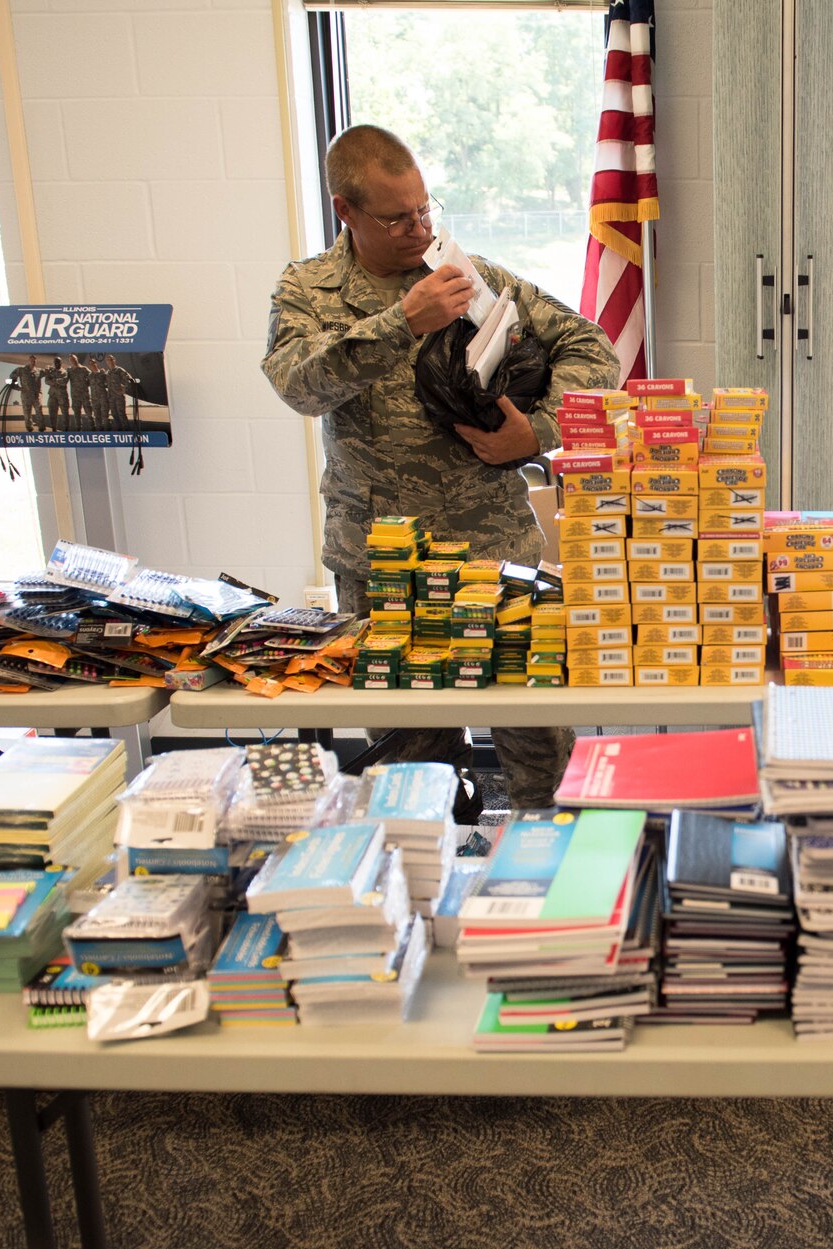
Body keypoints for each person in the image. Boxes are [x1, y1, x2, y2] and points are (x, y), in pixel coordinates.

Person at [262, 125, 620, 810]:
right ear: (347, 210)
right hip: (383, 571)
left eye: (426, 210)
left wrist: (535, 433)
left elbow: (591, 346)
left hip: (493, 556)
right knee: (409, 783)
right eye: (398, 217)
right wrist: (402, 320)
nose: (419, 227)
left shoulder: (465, 274)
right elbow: (298, 386)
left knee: (544, 767)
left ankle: (550, 894)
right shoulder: (307, 290)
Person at [13, 356, 41, 431]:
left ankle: (41, 428)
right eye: (31, 361)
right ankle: (29, 429)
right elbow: (12, 378)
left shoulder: (38, 371)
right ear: (29, 361)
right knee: (27, 413)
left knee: (39, 412)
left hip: (36, 396)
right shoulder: (21, 370)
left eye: (34, 361)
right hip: (26, 396)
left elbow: (47, 373)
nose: (33, 362)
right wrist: (17, 387)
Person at [66, 354, 93, 429]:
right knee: (77, 414)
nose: (73, 361)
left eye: (74, 359)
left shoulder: (84, 369)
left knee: (89, 413)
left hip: (85, 395)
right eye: (71, 360)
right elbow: (64, 379)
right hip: (75, 396)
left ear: (77, 359)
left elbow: (92, 376)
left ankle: (93, 428)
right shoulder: (69, 370)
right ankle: (79, 429)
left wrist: (87, 384)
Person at [42, 356, 69, 431]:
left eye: (58, 361)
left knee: (65, 413)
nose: (57, 363)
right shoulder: (51, 371)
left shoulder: (65, 371)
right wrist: (57, 381)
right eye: (55, 362)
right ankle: (54, 429)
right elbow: (46, 381)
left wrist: (53, 380)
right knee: (52, 413)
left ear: (61, 362)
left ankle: (66, 429)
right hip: (52, 395)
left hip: (62, 395)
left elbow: (64, 381)